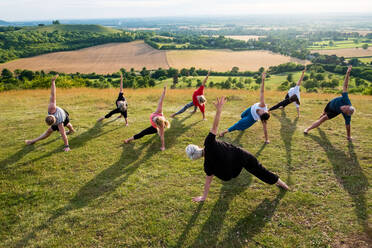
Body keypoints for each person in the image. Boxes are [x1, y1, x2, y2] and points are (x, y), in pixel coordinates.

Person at [185, 96, 289, 202]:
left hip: (232, 172)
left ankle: (227, 171)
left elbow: (208, 182)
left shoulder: (207, 165)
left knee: (218, 169)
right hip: (241, 156)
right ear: (197, 147)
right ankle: (283, 184)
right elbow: (215, 126)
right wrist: (219, 110)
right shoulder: (209, 143)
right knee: (259, 170)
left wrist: (204, 197)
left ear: (196, 158)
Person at [25, 75, 75, 151]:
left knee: (48, 132)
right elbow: (53, 94)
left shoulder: (59, 123)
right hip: (63, 113)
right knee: (67, 123)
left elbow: (63, 134)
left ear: (54, 123)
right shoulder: (52, 108)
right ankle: (72, 130)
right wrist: (53, 82)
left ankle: (32, 141)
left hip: (64, 115)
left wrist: (67, 146)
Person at [304, 66, 355, 141]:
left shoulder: (347, 115)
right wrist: (347, 73)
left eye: (344, 111)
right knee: (323, 114)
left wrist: (348, 136)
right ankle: (318, 122)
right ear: (348, 105)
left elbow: (348, 125)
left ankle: (307, 129)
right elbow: (345, 86)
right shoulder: (345, 99)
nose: (343, 110)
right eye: (345, 109)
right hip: (330, 104)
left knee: (323, 119)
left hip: (334, 112)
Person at [219, 72, 270, 144]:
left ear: (261, 116)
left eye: (262, 113)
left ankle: (224, 132)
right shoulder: (263, 105)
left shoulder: (263, 119)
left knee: (239, 123)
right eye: (264, 111)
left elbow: (265, 129)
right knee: (242, 116)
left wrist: (267, 139)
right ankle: (243, 126)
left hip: (251, 118)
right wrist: (263, 80)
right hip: (250, 109)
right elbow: (262, 92)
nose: (262, 111)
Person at [124, 85, 170, 151]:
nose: (152, 119)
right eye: (153, 119)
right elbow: (161, 100)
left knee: (143, 133)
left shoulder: (161, 126)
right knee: (143, 133)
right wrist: (164, 91)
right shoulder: (159, 111)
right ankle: (129, 139)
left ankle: (128, 140)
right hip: (157, 125)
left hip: (156, 128)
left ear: (157, 125)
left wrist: (163, 147)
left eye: (154, 121)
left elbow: (162, 136)